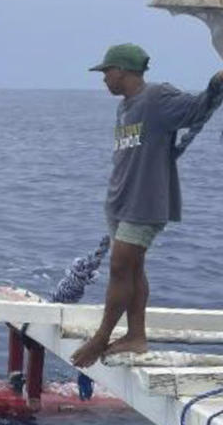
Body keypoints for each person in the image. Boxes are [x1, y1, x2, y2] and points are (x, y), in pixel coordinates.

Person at [71, 44, 223, 368]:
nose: (104, 79)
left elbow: (198, 108)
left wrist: (217, 81)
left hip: (145, 202)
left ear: (123, 70)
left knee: (119, 267)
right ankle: (136, 335)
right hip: (120, 201)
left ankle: (102, 337)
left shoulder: (157, 98)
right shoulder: (125, 107)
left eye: (106, 72)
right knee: (134, 269)